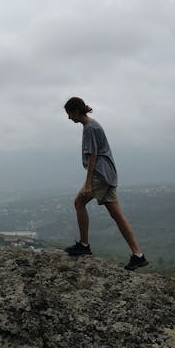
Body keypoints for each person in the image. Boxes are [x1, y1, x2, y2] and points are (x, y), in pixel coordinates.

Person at [63, 96, 148, 271]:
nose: (69, 117)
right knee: (117, 216)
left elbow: (92, 156)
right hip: (108, 174)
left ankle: (84, 245)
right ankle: (138, 255)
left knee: (79, 203)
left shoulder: (90, 128)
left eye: (70, 113)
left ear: (77, 111)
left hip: (100, 174)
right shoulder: (92, 125)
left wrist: (87, 184)